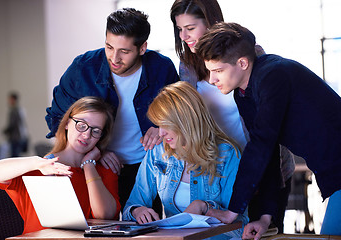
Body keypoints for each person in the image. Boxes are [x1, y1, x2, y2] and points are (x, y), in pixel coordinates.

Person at [196, 22, 341, 238]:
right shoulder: (243, 93)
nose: (212, 79)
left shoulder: (273, 74)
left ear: (242, 62)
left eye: (218, 71)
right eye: (210, 71)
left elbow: (260, 146)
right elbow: (269, 151)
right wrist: (265, 215)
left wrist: (232, 212)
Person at [170, 0, 294, 234]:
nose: (184, 36)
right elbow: (187, 117)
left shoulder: (248, 55)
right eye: (179, 29)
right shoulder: (187, 66)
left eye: (190, 27)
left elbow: (267, 128)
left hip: (262, 165)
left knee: (263, 231)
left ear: (211, 22)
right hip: (222, 175)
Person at [45, 8, 179, 213]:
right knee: (98, 227)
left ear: (142, 48)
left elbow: (181, 115)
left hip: (146, 169)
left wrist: (163, 126)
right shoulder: (83, 68)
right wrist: (95, 151)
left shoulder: (162, 68)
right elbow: (56, 118)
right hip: (97, 166)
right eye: (109, 47)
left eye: (124, 51)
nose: (114, 58)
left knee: (146, 228)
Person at [123, 81, 248, 239]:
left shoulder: (228, 154)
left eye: (165, 125)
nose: (160, 133)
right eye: (158, 125)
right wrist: (138, 210)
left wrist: (204, 207)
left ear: (185, 122)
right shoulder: (157, 151)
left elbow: (238, 222)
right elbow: (131, 206)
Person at [0, 96, 121, 234]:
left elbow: (104, 215)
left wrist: (89, 165)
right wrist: (37, 162)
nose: (86, 135)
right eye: (81, 125)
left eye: (95, 131)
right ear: (66, 123)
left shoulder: (104, 169)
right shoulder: (42, 167)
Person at [2, 92, 29, 157]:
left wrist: (5, 131)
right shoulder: (20, 110)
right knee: (17, 156)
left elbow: (12, 124)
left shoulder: (14, 111)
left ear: (13, 99)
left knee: (14, 156)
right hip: (21, 137)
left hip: (15, 137)